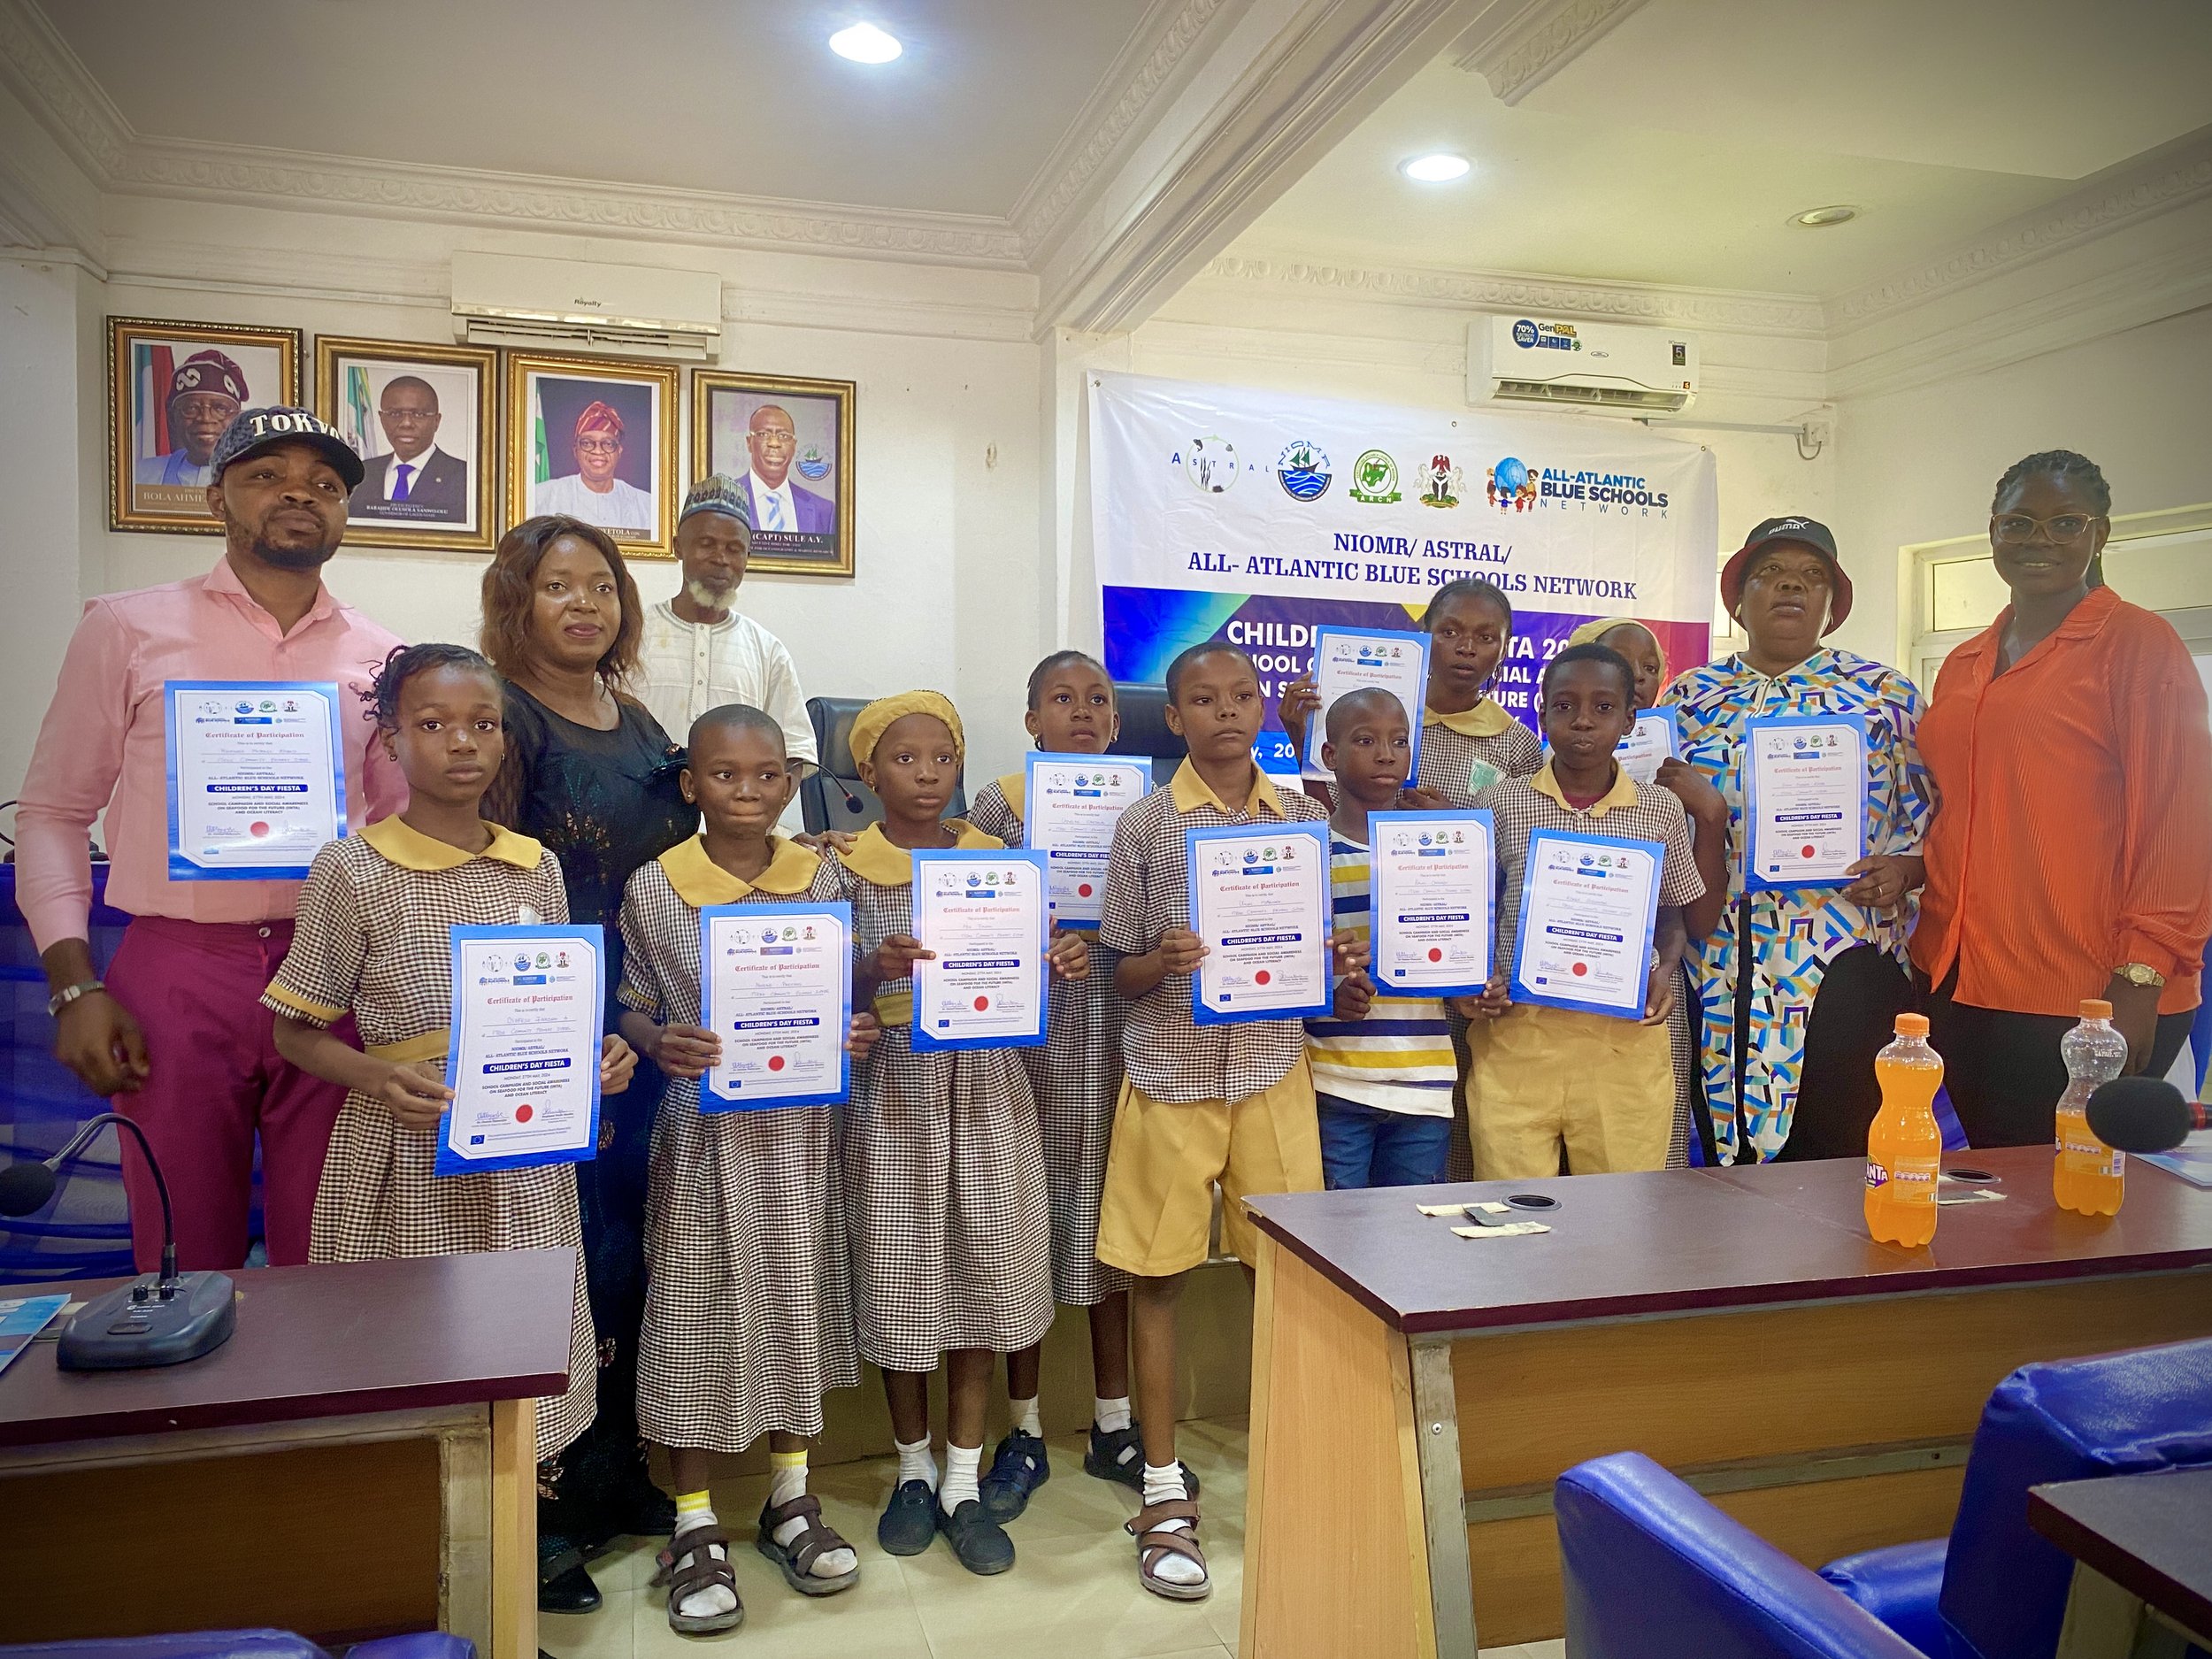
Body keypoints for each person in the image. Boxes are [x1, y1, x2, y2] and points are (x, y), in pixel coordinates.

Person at [19, 406, 403, 1273]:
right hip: (177, 973)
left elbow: (397, 832)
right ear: (215, 499)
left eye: (325, 484)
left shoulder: (383, 657)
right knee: (182, 1252)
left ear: (344, 512)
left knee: (333, 1247)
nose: (300, 494)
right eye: (267, 476)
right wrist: (73, 988)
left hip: (331, 972)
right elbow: (52, 813)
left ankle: (317, 1371)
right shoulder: (127, 629)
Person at [262, 641, 634, 1471]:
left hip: (522, 1160)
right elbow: (295, 1031)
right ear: (392, 740)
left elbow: (553, 1014)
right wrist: (378, 1075)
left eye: (483, 724)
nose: (462, 741)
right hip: (407, 1155)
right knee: (411, 1356)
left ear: (504, 739)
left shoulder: (533, 867)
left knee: (519, 1356)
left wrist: (596, 1056)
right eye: (433, 724)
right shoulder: (353, 868)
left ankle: (520, 1517)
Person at [616, 704, 878, 1633]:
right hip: (703, 1138)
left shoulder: (822, 876)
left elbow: (847, 991)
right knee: (692, 1309)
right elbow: (631, 1001)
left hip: (802, 1136)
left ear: (792, 782)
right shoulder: (657, 886)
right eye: (726, 775)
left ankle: (790, 1496)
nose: (749, 791)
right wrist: (657, 1039)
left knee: (797, 1299)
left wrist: (854, 1026)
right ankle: (693, 1519)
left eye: (769, 775)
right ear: (692, 784)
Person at [478, 515, 697, 1609]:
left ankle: (618, 1475)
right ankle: (543, 1513)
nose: (584, 604)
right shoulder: (499, 716)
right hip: (548, 1024)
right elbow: (483, 879)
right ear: (516, 598)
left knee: (629, 1252)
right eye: (559, 585)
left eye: (602, 586)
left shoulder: (636, 718)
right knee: (553, 1256)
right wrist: (561, 1021)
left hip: (646, 1024)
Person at [1096, 642, 1346, 1601]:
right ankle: (1163, 1489)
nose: (1227, 711)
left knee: (1283, 1281)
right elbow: (1119, 972)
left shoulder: (1304, 819)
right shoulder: (1146, 824)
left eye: (1243, 694)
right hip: (1171, 1076)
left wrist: (1331, 971)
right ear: (1175, 717)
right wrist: (1162, 961)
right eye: (1203, 699)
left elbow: (1311, 957)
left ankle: (1299, 1469)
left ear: (1265, 707)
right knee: (1156, 1278)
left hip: (1274, 1072)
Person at [827, 692, 1085, 1577]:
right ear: (867, 772)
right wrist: (870, 966)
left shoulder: (1000, 861)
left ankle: (964, 1480)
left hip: (986, 1087)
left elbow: (1029, 967)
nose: (927, 774)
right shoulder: (842, 868)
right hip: (894, 1093)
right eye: (905, 759)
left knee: (984, 1270)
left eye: (943, 758)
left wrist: (1056, 958)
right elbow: (817, 985)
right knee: (901, 1272)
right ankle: (912, 1469)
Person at [1913, 451, 2212, 1146]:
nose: (2038, 539)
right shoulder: (1964, 661)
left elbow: (2179, 823)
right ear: (1993, 532)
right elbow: (1967, 811)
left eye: (2065, 522)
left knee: (2070, 1191)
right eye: (2018, 522)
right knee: (1997, 1182)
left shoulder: (2138, 644)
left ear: (2099, 534)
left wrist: (2138, 980)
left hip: (2088, 992)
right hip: (1958, 979)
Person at [1662, 518, 1932, 1164]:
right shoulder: (1690, 698)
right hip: (1716, 953)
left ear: (1833, 604)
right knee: (1724, 1153)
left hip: (1842, 951)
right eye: (1771, 573)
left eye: (1812, 576)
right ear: (1738, 600)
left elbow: (1934, 817)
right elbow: (1652, 816)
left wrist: (1904, 869)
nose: (1791, 585)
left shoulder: (1884, 695)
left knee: (1838, 1147)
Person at [962, 652, 1139, 1520]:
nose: (1083, 712)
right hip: (1025, 1048)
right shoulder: (999, 806)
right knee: (1021, 1233)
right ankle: (1023, 1428)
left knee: (1112, 1231)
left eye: (1098, 699)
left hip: (1115, 1036)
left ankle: (1115, 1422)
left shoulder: (1143, 807)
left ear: (1118, 720)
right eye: (1062, 699)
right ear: (1032, 719)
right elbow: (965, 913)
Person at [1467, 643, 1705, 1178]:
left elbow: (1672, 914)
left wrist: (1665, 970)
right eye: (1564, 705)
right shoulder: (1501, 803)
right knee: (1510, 1212)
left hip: (1623, 1046)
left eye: (1603, 707)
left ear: (1629, 720)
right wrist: (1477, 980)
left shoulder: (1659, 809)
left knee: (1619, 1214)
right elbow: (1475, 912)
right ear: (1542, 712)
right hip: (1519, 1040)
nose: (1582, 721)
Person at [1563, 617, 1731, 1167]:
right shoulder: (1526, 787)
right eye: (1618, 660)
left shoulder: (1673, 789)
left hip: (1638, 1014)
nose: (1635, 675)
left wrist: (1709, 814)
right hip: (1540, 1027)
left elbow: (1691, 919)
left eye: (1649, 666)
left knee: (1636, 1171)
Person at [1304, 687, 1465, 1187]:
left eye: (1399, 741)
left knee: (1410, 1228)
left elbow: (1465, 953)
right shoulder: (1309, 854)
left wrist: (1477, 985)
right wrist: (1328, 994)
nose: (1385, 754)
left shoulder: (1444, 855)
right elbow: (1288, 966)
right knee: (1334, 1227)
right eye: (1365, 740)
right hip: (1336, 1082)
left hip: (1424, 1084)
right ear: (1330, 755)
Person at [634, 475, 818, 787]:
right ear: (678, 547)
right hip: (639, 814)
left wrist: (761, 813)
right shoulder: (632, 635)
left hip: (734, 818)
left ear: (747, 557)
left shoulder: (767, 652)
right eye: (706, 544)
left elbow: (796, 751)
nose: (721, 559)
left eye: (734, 549)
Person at [349, 375, 468, 524]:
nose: (406, 423)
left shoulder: (463, 476)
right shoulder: (362, 473)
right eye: (395, 414)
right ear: (382, 419)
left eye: (419, 414)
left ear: (436, 421)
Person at [532, 401, 654, 533]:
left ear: (619, 452)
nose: (598, 451)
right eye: (587, 443)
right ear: (576, 451)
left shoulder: (646, 505)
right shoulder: (543, 496)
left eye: (608, 444)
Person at [134, 349, 247, 487]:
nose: (206, 418)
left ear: (237, 419)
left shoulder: (255, 479)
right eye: (191, 408)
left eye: (220, 408)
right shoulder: (140, 475)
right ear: (173, 417)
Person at [741, 404, 836, 538]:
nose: (774, 443)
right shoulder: (721, 500)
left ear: (794, 446)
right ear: (749, 442)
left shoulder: (824, 510)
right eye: (764, 434)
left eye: (784, 436)